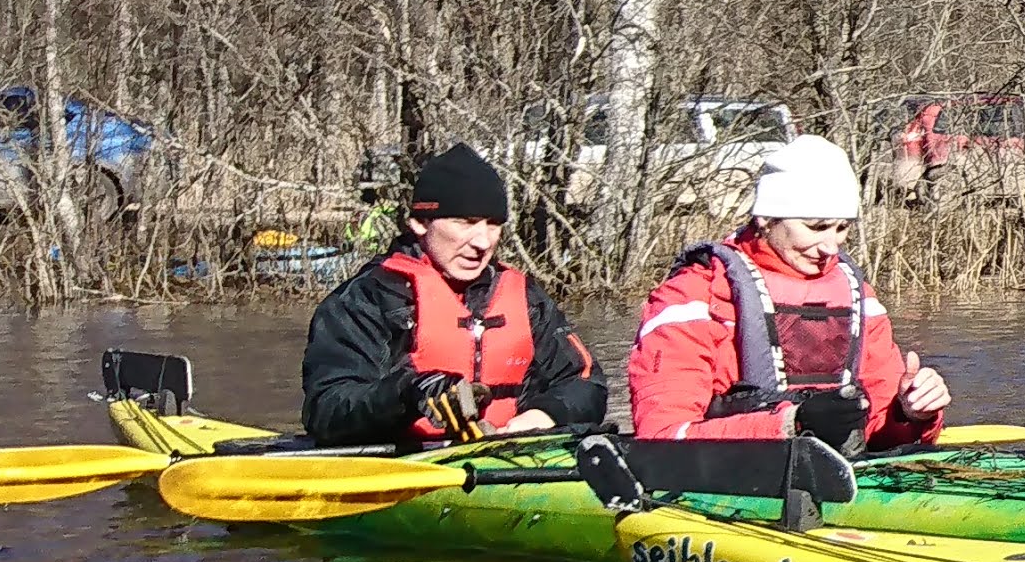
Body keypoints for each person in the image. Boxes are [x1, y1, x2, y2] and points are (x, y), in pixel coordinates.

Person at [625, 134, 952, 446]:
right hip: (732, 472)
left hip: (831, 466)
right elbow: (663, 436)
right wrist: (792, 424)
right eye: (816, 227)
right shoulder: (691, 298)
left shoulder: (859, 297)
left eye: (842, 228)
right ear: (767, 219)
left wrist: (910, 414)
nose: (830, 246)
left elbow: (880, 428)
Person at [302, 142, 605, 445]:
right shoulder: (366, 299)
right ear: (420, 223)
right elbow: (327, 410)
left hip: (510, 449)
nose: (483, 242)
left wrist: (536, 420)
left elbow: (586, 384)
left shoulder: (527, 298)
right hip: (410, 458)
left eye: (493, 225)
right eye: (466, 223)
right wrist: (408, 393)